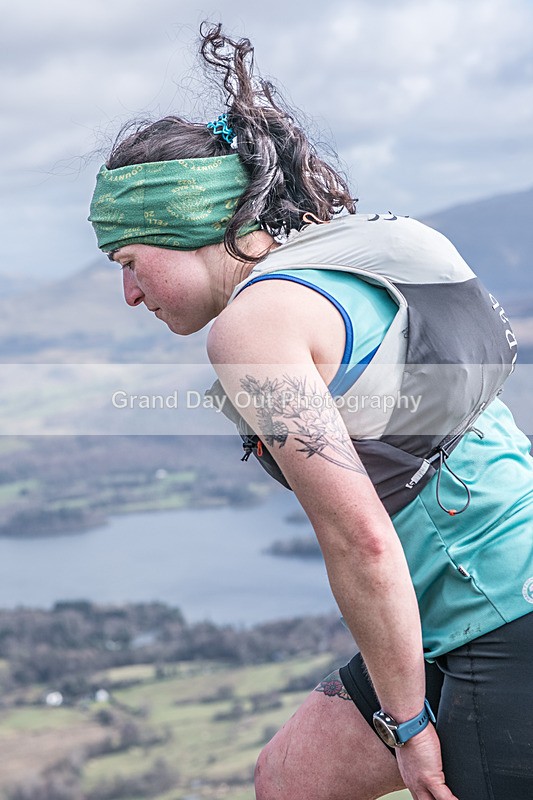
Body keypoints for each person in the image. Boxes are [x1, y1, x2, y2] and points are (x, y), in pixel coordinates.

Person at [88, 23, 533, 800]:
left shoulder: (253, 326)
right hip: (466, 603)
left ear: (182, 226)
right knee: (289, 778)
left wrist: (409, 729)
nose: (129, 294)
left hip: (501, 619)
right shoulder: (366, 249)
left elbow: (358, 539)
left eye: (129, 262)